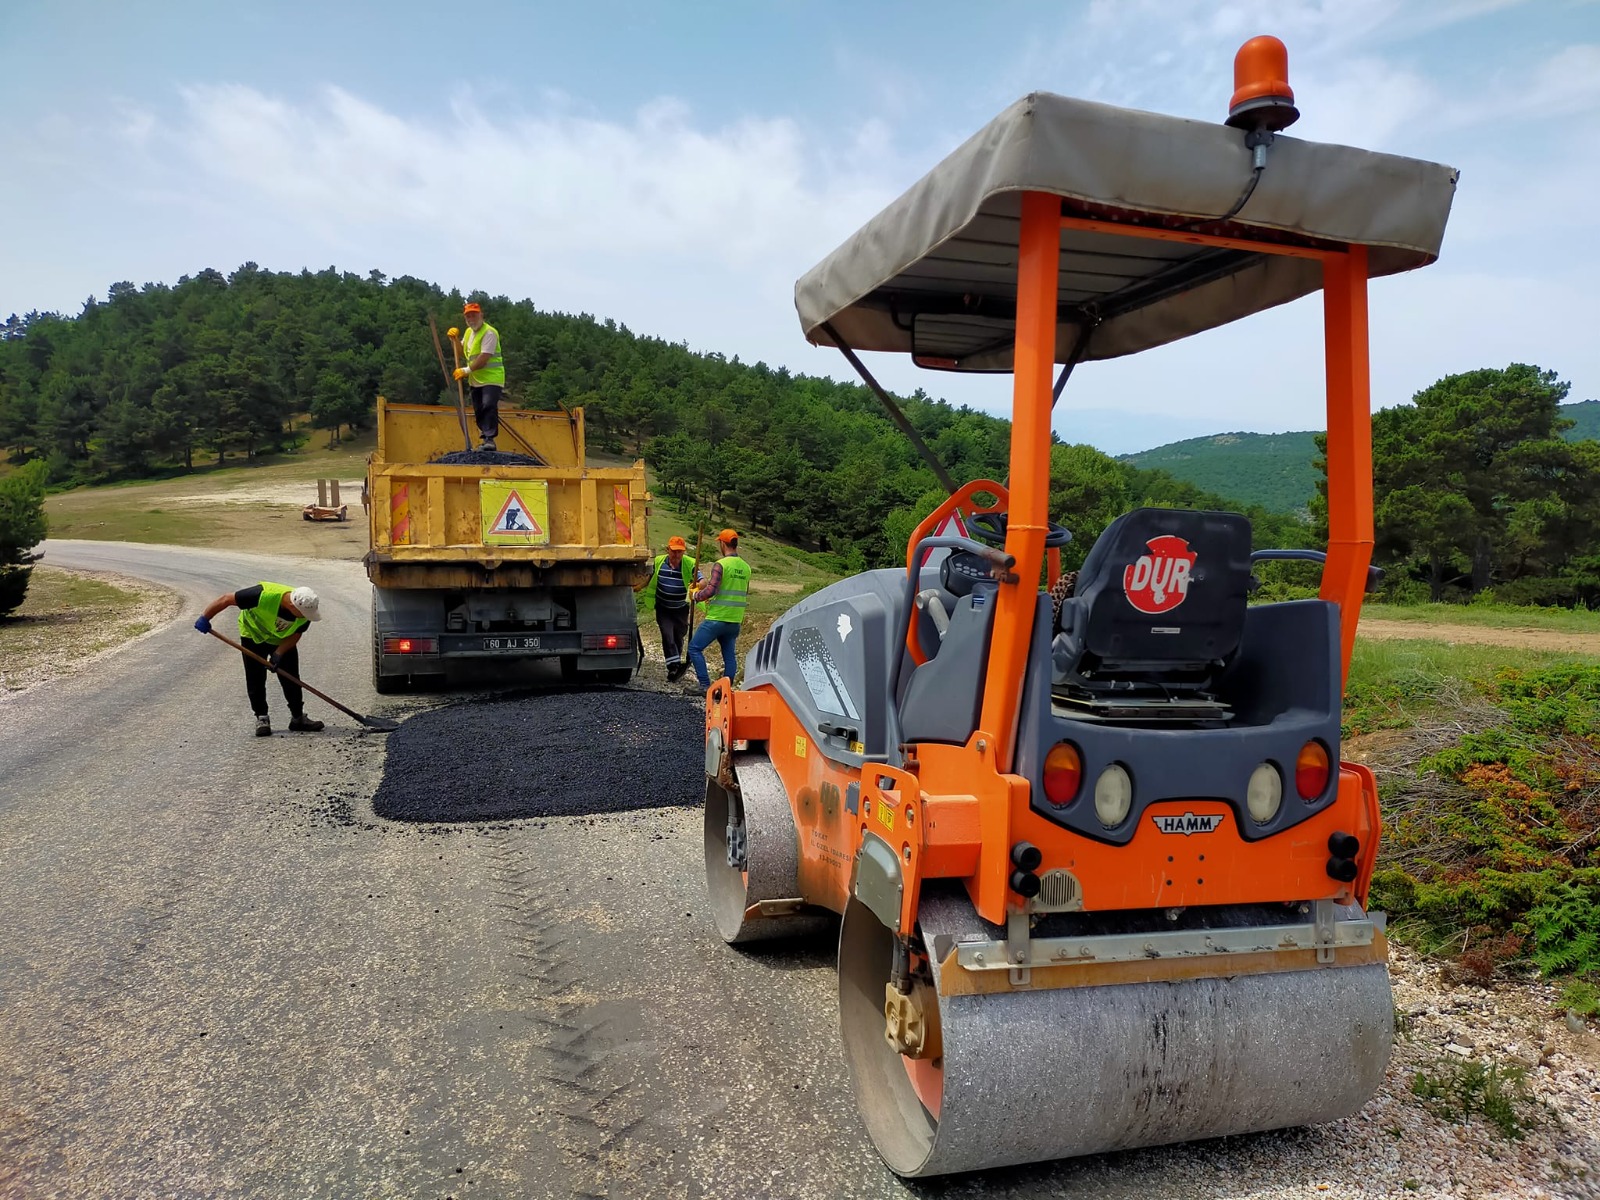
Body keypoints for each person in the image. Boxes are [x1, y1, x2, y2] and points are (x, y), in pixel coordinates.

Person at [193, 583, 325, 736]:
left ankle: (298, 718)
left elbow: (296, 633)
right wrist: (205, 617)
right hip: (252, 635)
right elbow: (226, 599)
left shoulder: (306, 611)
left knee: (291, 678)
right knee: (255, 677)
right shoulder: (262, 595)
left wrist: (279, 653)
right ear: (292, 605)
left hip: (280, 640)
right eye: (301, 613)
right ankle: (262, 718)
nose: (305, 617)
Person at [686, 529, 751, 692]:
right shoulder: (746, 567)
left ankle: (704, 685)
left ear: (722, 543)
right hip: (735, 620)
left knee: (694, 648)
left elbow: (711, 590)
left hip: (717, 618)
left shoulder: (721, 565)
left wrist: (695, 595)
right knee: (729, 656)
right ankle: (725, 689)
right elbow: (744, 591)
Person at [637, 535, 699, 682]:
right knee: (667, 636)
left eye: (680, 551)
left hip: (681, 609)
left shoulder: (690, 564)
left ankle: (676, 664)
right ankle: (673, 668)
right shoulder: (659, 561)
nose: (676, 555)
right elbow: (649, 579)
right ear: (667, 550)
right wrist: (638, 587)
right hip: (663, 608)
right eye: (674, 551)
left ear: (683, 552)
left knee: (678, 636)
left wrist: (697, 587)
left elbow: (702, 581)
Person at [451, 301, 505, 451]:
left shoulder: (489, 332)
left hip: (492, 378)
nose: (471, 319)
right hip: (476, 380)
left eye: (474, 315)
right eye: (468, 316)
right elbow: (461, 352)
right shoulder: (469, 333)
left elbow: (484, 357)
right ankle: (485, 438)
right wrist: (455, 340)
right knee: (479, 408)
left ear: (481, 315)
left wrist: (466, 371)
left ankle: (489, 439)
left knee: (488, 405)